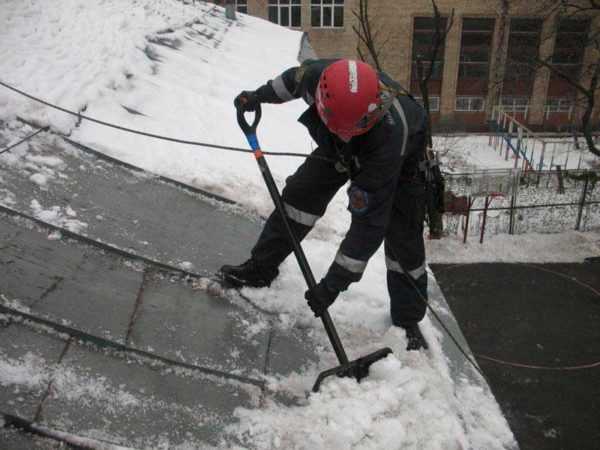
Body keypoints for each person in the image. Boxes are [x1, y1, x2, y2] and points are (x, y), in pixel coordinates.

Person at [221, 59, 429, 351]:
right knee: (299, 197)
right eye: (341, 127)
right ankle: (260, 268)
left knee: (402, 243)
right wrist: (258, 96)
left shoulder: (389, 137)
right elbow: (289, 82)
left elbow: (368, 224)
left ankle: (407, 320)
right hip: (340, 148)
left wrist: (333, 284)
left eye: (351, 128)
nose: (345, 133)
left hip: (400, 164)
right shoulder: (317, 77)